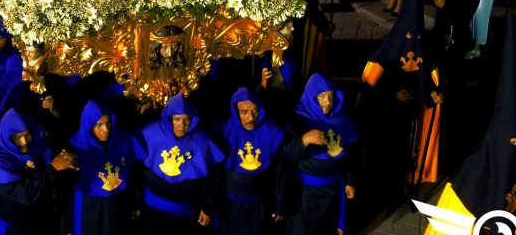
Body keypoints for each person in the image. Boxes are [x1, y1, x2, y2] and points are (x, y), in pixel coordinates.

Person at [280, 73, 359, 235]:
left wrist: (349, 181)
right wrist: (303, 140)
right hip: (305, 193)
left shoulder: (342, 120)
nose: (327, 101)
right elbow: (285, 154)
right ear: (311, 97)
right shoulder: (298, 120)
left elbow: (349, 155)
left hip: (332, 190)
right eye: (321, 96)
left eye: (330, 96)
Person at [0, 108, 78, 234]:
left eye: (27, 135)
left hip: (38, 222)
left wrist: (64, 160)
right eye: (17, 137)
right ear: (7, 136)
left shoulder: (36, 146)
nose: (24, 142)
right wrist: (54, 168)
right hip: (12, 228)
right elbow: (27, 193)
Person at [137, 93, 224, 232]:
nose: (182, 125)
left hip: (185, 215)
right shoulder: (150, 133)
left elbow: (214, 178)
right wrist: (136, 202)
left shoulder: (202, 140)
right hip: (151, 212)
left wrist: (207, 207)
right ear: (169, 118)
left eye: (186, 120)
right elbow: (136, 170)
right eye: (177, 119)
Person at [217, 87, 286, 235]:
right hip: (229, 205)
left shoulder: (271, 131)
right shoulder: (223, 131)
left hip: (260, 205)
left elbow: (280, 173)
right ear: (235, 112)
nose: (250, 118)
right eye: (244, 112)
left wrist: (279, 204)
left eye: (255, 111)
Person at [66, 100, 140, 235]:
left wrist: (134, 202)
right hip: (89, 204)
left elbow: (132, 170)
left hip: (116, 200)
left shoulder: (122, 140)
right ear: (89, 125)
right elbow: (67, 188)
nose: (105, 129)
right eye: (99, 125)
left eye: (108, 123)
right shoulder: (76, 147)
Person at [432, 0, 481, 78]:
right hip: (440, 36)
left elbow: (462, 17)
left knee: (452, 75)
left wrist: (444, 6)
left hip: (456, 42)